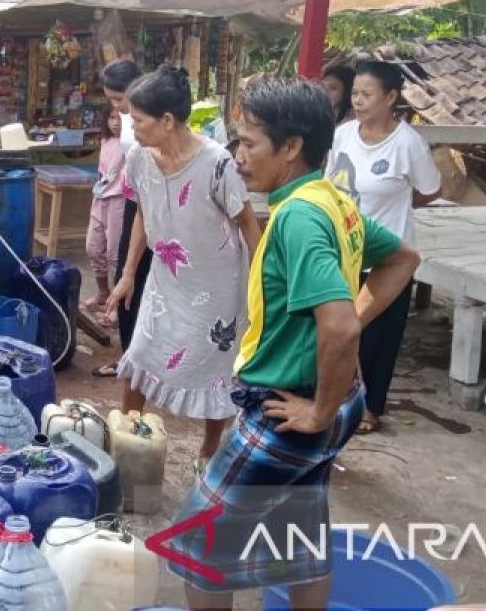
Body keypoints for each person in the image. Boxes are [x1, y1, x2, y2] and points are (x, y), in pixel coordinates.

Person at [166, 77, 419, 611]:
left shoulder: (300, 218)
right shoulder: (330, 200)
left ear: (292, 146)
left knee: (200, 547)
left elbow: (342, 327)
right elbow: (401, 260)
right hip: (333, 396)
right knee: (297, 541)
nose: (237, 156)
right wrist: (334, 394)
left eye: (250, 143)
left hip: (291, 409)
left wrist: (319, 411)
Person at [105, 65, 262, 467]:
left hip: (219, 287)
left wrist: (263, 284)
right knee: (139, 356)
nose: (131, 127)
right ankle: (127, 440)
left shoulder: (216, 162)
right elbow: (143, 212)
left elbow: (245, 221)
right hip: (166, 280)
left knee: (216, 370)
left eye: (137, 120)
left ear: (168, 121)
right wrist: (126, 276)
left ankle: (210, 448)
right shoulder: (139, 158)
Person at [326, 60, 441, 434]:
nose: (358, 101)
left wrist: (399, 204)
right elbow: (331, 184)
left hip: (388, 257)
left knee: (378, 336)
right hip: (345, 248)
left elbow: (429, 189)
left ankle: (370, 407)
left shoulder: (408, 144)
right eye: (355, 93)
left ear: (391, 97)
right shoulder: (343, 135)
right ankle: (332, 396)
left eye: (367, 94)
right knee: (339, 327)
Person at [92, 58, 146, 378]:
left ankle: (136, 359)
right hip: (132, 201)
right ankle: (129, 356)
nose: (116, 106)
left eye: (117, 98)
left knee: (137, 279)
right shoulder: (126, 118)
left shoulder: (145, 117)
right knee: (130, 278)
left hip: (146, 204)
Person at [81, 105, 128, 321]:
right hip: (100, 196)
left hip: (120, 199)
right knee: (93, 246)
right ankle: (102, 293)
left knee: (115, 253)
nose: (116, 123)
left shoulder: (132, 144)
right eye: (111, 118)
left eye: (120, 118)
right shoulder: (106, 141)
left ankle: (117, 305)